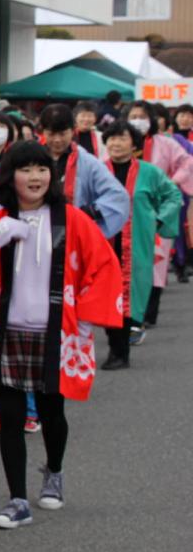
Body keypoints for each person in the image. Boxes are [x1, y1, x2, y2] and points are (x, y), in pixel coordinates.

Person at [0, 142, 123, 530]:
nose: (35, 177)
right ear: (10, 176)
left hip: (57, 330)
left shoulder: (73, 219)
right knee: (11, 415)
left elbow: (104, 265)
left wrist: (86, 317)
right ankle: (17, 499)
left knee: (52, 411)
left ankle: (55, 471)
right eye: (25, 169)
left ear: (52, 176)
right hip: (6, 329)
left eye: (42, 169)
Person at [98, 120, 182, 368]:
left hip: (136, 243)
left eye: (122, 138)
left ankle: (120, 351)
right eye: (112, 138)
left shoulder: (150, 172)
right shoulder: (98, 170)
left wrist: (158, 220)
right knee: (104, 295)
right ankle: (116, 346)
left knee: (129, 295)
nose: (116, 143)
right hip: (103, 243)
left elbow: (173, 195)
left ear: (133, 143)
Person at [125, 99, 193, 327]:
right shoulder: (119, 143)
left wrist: (172, 182)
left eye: (142, 116)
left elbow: (187, 163)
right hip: (127, 212)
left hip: (156, 210)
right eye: (133, 116)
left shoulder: (166, 143)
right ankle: (128, 313)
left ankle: (147, 313)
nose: (138, 121)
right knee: (128, 262)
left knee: (156, 263)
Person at [36, 104, 129, 240]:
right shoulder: (31, 157)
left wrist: (91, 211)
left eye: (62, 134)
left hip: (73, 231)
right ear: (42, 132)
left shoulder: (88, 162)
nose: (57, 140)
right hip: (36, 228)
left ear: (73, 131)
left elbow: (118, 196)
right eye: (51, 134)